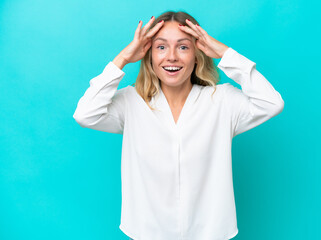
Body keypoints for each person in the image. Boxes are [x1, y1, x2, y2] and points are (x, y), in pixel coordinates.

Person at [73, 10, 284, 240]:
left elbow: (271, 103)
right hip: (146, 233)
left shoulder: (222, 100)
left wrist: (225, 53)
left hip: (210, 234)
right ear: (148, 54)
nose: (171, 56)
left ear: (197, 53)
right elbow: (85, 114)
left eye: (183, 47)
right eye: (161, 47)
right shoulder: (131, 102)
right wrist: (122, 58)